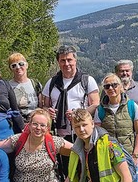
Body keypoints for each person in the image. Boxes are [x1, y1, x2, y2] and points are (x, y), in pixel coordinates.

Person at [94, 73, 138, 182]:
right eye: (107, 86)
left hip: (129, 154)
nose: (111, 88)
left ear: (121, 87)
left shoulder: (131, 106)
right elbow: (97, 133)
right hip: (110, 157)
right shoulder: (100, 110)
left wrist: (136, 155)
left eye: (114, 85)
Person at [42, 45, 99, 174]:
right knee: (64, 168)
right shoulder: (51, 83)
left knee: (85, 167)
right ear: (58, 62)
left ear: (75, 61)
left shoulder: (87, 80)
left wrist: (78, 114)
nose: (66, 64)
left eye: (69, 60)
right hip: (59, 133)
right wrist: (48, 111)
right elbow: (45, 105)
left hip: (81, 132)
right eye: (62, 60)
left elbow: (95, 105)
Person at [115, 60, 138, 146]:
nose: (125, 73)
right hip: (117, 136)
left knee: (135, 158)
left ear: (131, 72)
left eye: (127, 70)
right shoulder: (109, 89)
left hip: (137, 136)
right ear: (116, 73)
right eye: (121, 71)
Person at [7, 52, 42, 122]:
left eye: (21, 64)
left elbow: (41, 106)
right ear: (11, 69)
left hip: (35, 123)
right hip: (17, 123)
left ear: (27, 65)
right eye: (14, 66)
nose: (18, 67)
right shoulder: (7, 86)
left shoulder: (35, 84)